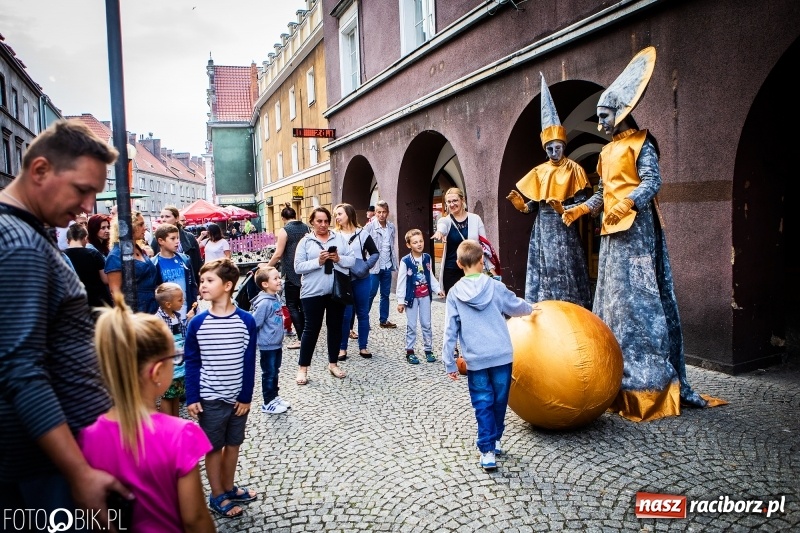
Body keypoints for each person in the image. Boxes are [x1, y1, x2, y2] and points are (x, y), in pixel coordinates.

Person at [560, 46, 710, 421]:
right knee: (611, 302)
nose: (600, 124)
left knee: (638, 305)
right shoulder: (606, 152)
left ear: (620, 112)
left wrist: (631, 202)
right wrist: (583, 207)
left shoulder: (642, 142)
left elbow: (652, 181)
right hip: (612, 235)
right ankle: (613, 375)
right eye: (598, 118)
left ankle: (647, 383)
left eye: (604, 116)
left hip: (638, 233)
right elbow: (601, 192)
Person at [0, 119, 131, 519]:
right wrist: (79, 472)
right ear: (40, 170)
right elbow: (21, 369)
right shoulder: (20, 244)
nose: (88, 206)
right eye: (82, 189)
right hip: (44, 470)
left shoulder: (26, 233)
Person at [79, 293, 216, 533]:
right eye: (174, 358)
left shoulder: (87, 437)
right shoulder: (182, 434)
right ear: (156, 373)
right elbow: (195, 519)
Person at [441, 240, 533, 471]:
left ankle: (487, 450)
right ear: (482, 261)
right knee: (500, 401)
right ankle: (495, 438)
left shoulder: (454, 294)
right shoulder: (495, 287)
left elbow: (450, 330)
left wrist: (449, 362)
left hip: (476, 359)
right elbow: (514, 306)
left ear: (459, 264)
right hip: (501, 355)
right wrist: (532, 309)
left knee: (482, 402)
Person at [506, 73, 593, 308]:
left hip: (564, 229)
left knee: (565, 271)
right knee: (542, 270)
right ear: (545, 149)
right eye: (550, 148)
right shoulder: (540, 171)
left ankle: (570, 309)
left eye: (558, 147)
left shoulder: (575, 169)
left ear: (564, 146)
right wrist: (524, 207)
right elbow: (537, 202)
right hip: (542, 230)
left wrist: (565, 208)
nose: (554, 151)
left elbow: (584, 202)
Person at [185, 258, 258, 519]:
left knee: (234, 443)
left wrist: (246, 396)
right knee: (214, 447)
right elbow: (192, 361)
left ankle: (228, 487)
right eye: (202, 281)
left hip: (237, 398)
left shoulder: (246, 321)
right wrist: (192, 396)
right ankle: (217, 495)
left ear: (227, 285)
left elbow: (249, 360)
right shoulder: (197, 323)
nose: (203, 285)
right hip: (211, 398)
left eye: (209, 280)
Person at [294, 207, 355, 384]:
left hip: (336, 291)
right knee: (311, 329)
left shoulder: (340, 239)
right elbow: (298, 267)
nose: (323, 224)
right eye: (319, 221)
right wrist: (318, 261)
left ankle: (333, 363)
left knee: (335, 328)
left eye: (326, 221)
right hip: (312, 292)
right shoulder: (305, 242)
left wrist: (339, 259)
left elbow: (352, 261)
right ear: (312, 222)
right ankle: (303, 368)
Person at [334, 203, 379, 360]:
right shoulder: (334, 235)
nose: (337, 217)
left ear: (349, 214)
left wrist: (365, 266)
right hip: (342, 278)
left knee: (363, 313)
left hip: (361, 278)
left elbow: (374, 253)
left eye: (339, 213)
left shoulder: (362, 233)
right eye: (335, 215)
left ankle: (363, 346)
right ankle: (342, 348)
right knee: (345, 315)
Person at [397, 229, 444, 364]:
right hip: (411, 298)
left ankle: (428, 350)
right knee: (411, 325)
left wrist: (437, 289)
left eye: (421, 241)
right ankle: (410, 351)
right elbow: (401, 282)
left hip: (425, 296)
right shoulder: (406, 261)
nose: (419, 244)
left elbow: (430, 276)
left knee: (426, 324)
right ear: (409, 245)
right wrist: (400, 301)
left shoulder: (427, 258)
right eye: (415, 242)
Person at [266, 205, 309, 350]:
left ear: (283, 218)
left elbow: (278, 254)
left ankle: (301, 338)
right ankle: (307, 335)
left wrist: (267, 267)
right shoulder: (306, 228)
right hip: (305, 270)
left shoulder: (284, 230)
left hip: (291, 271)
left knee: (291, 305)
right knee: (303, 305)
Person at [250, 266, 291, 414]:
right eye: (275, 278)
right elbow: (254, 323)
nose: (279, 280)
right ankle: (268, 402)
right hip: (267, 345)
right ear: (265, 284)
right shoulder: (265, 303)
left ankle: (274, 396)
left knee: (275, 372)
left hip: (276, 343)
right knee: (269, 373)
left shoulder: (275, 297)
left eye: (279, 277)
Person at [431, 187, 486, 294]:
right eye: (449, 202)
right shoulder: (445, 220)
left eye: (455, 200)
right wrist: (439, 232)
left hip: (471, 269)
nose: (452, 204)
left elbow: (484, 245)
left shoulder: (475, 219)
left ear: (462, 200)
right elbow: (442, 226)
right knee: (454, 305)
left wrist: (490, 267)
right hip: (451, 270)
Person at [106, 211, 160, 314]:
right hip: (134, 312)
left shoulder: (140, 249)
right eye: (140, 224)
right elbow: (115, 292)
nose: (144, 228)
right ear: (129, 227)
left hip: (152, 308)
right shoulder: (116, 255)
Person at [154, 282, 193, 417]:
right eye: (180, 299)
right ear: (168, 304)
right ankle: (168, 421)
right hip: (168, 364)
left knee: (176, 393)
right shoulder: (158, 320)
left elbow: (183, 333)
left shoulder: (175, 315)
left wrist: (188, 319)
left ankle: (175, 419)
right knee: (167, 395)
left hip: (178, 363)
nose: (183, 301)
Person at [152, 223, 198, 319]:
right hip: (167, 312)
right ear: (161, 241)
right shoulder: (154, 263)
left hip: (187, 309)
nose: (177, 241)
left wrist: (193, 306)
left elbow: (192, 285)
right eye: (173, 239)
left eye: (178, 238)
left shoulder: (184, 259)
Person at [365, 200, 399, 328]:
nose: (381, 215)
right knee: (371, 293)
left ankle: (383, 320)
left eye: (384, 212)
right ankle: (364, 319)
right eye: (379, 212)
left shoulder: (391, 227)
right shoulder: (369, 227)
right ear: (375, 213)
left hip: (387, 265)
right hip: (374, 266)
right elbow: (363, 245)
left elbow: (390, 246)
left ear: (387, 213)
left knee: (385, 294)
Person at [63, 223, 112, 309]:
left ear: (67, 240)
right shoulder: (94, 254)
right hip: (97, 302)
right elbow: (105, 279)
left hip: (74, 303)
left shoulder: (62, 255)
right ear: (85, 238)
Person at [151, 205, 202, 284]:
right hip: (166, 283)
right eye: (161, 217)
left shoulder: (189, 237)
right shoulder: (156, 239)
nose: (163, 219)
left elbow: (197, 262)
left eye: (167, 216)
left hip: (187, 281)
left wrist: (198, 283)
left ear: (177, 218)